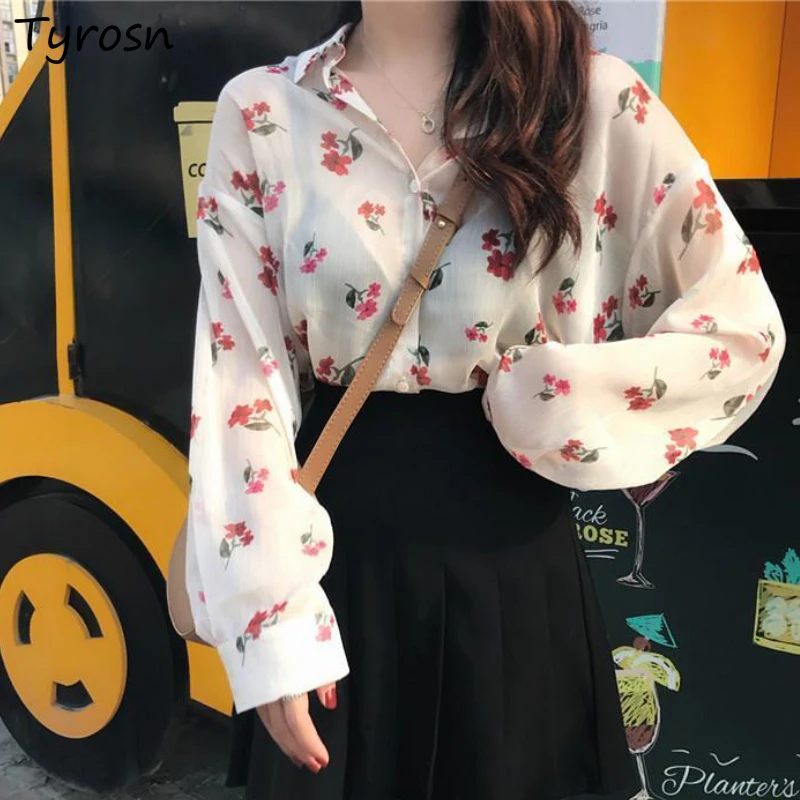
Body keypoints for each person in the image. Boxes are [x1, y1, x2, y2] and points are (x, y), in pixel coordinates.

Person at [184, 1, 786, 799]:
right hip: (331, 570)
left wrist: (565, 399)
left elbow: (740, 327)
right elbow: (240, 374)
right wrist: (269, 619)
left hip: (515, 575)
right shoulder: (265, 111)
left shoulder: (586, 99)